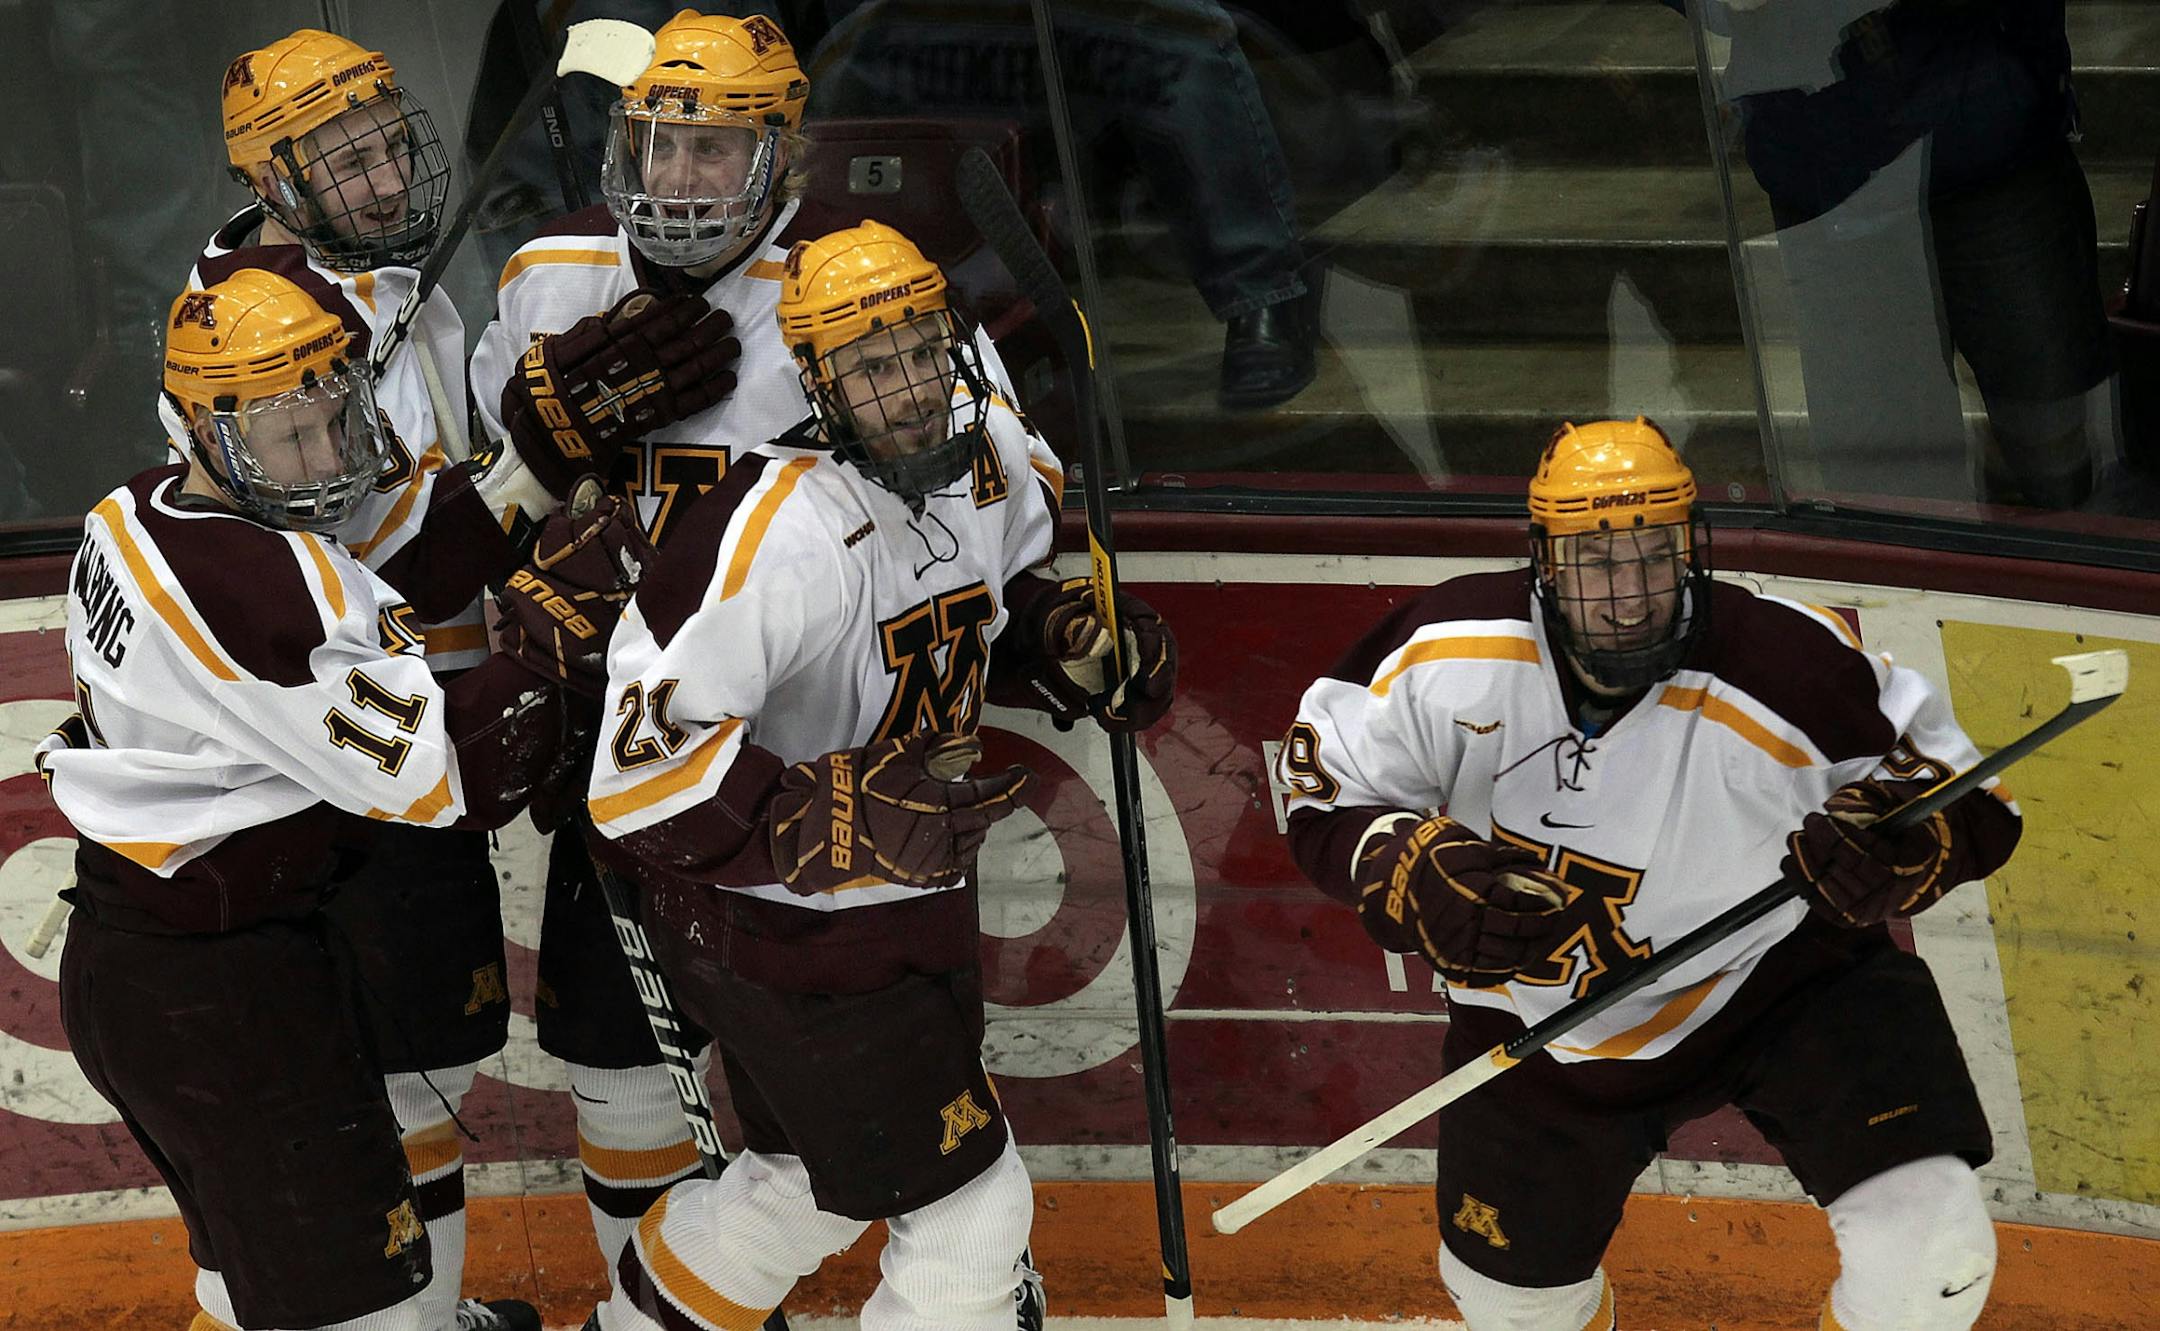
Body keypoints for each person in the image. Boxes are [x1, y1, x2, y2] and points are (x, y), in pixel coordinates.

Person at [468, 10, 1013, 1283]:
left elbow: (983, 501)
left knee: (860, 1097)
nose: (676, 181)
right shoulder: (550, 277)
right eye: (656, 146)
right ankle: (660, 1303)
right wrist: (539, 458)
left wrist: (1056, 615)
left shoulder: (862, 296)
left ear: (789, 158)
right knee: (616, 1058)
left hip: (801, 760)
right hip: (627, 740)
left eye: (715, 153)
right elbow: (468, 519)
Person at [1279, 418, 2022, 1331]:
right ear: (1544, 562)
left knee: (1932, 1258)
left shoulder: (1794, 665)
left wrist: (1906, 848)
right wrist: (1409, 869)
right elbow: (1324, 792)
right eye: (1596, 561)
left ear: (1690, 548)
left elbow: (1976, 801)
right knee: (1510, 1309)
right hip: (1539, 1020)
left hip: (1784, 983)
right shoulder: (1447, 653)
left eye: (1653, 555)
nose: (1629, 595)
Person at [577, 221, 1175, 1330]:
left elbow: (998, 598)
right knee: (971, 1207)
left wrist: (1077, 640)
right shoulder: (774, 533)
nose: (902, 387)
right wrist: (819, 819)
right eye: (867, 365)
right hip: (787, 934)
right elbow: (635, 780)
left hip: (905, 906)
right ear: (818, 382)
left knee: (805, 1182)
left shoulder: (987, 457)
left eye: (916, 350)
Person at [38, 269, 651, 1331]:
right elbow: (447, 778)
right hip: (226, 1002)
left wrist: (531, 477)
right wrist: (553, 639)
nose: (329, 461)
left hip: (144, 966)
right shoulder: (263, 590)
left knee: (253, 1285)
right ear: (209, 430)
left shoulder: (137, 504)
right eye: (292, 436)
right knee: (366, 1309)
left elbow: (380, 579)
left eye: (339, 416)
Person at [169, 30, 555, 1331]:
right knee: (386, 1076)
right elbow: (389, 560)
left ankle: (414, 1312)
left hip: (393, 727)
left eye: (392, 144)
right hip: (349, 741)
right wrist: (533, 474)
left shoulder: (377, 274)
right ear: (275, 179)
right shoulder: (278, 334)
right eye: (345, 159)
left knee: (414, 1067)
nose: (386, 180)